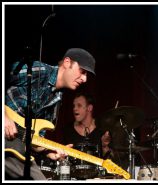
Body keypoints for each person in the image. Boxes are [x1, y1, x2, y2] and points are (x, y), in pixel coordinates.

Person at [5, 48, 96, 180]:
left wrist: (50, 152)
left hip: (15, 145)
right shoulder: (39, 70)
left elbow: (34, 139)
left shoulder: (57, 101)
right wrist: (4, 116)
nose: (84, 79)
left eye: (87, 75)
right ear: (66, 62)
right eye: (82, 72)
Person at [62, 92, 113, 163]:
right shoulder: (67, 130)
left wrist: (104, 146)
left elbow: (111, 160)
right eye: (74, 106)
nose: (75, 109)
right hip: (73, 173)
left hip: (98, 173)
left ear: (89, 108)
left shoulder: (102, 128)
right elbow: (62, 159)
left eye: (79, 106)